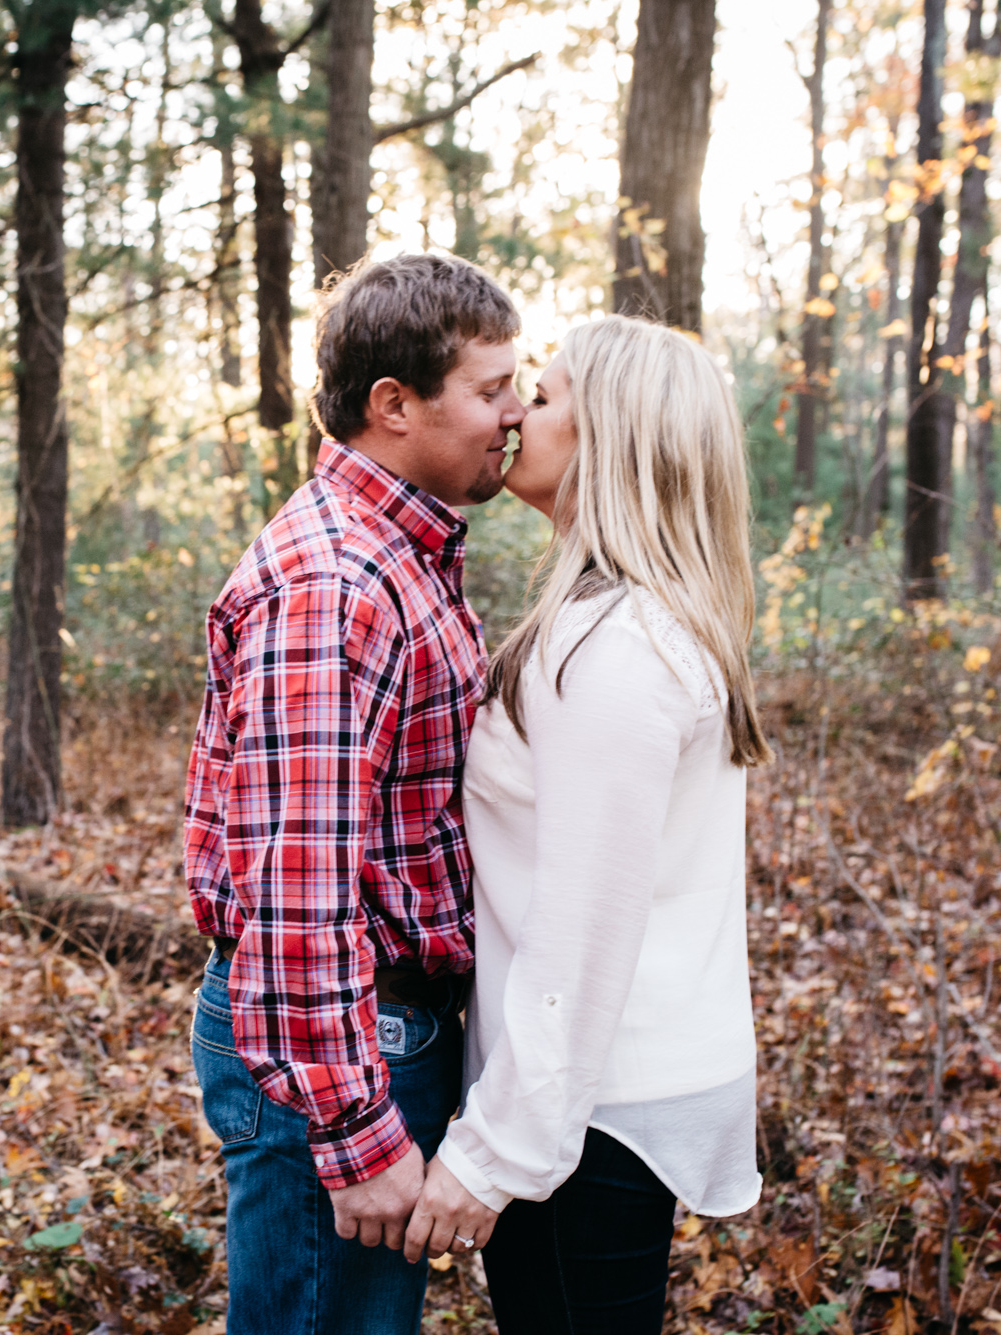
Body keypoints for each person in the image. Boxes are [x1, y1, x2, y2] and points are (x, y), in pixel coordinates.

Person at [402, 314, 774, 1333]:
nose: (517, 409)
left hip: (590, 1109)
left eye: (548, 394)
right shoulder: (621, 623)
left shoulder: (613, 653)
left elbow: (582, 930)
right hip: (595, 1093)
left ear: (610, 438)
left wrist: (495, 1154)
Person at [182, 252, 524, 1334]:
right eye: (489, 389)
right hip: (342, 1048)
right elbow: (294, 885)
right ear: (393, 406)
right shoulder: (336, 587)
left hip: (371, 1033)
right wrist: (351, 1127)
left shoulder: (395, 552)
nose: (512, 413)